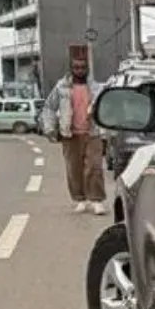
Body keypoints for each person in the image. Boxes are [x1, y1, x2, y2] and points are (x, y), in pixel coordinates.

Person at [41, 53, 108, 215]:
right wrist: (49, 128)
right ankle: (81, 199)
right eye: (76, 67)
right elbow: (49, 108)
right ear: (71, 69)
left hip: (93, 132)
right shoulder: (61, 87)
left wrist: (107, 132)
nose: (80, 70)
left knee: (94, 167)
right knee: (74, 168)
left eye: (83, 67)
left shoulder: (98, 89)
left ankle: (96, 200)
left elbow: (107, 109)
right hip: (69, 134)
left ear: (88, 69)